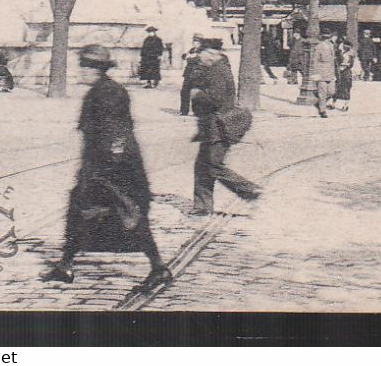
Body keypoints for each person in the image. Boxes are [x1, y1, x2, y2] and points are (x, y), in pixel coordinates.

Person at [43, 44, 170, 288]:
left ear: (96, 69)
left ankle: (159, 268)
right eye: (83, 66)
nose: (82, 71)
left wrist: (107, 170)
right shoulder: (100, 90)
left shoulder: (108, 92)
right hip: (104, 167)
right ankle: (65, 265)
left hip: (115, 169)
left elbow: (116, 133)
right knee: (81, 211)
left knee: (129, 215)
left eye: (86, 67)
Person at [187, 37, 262, 216]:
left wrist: (197, 95)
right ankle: (202, 207)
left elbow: (216, 100)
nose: (200, 57)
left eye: (202, 54)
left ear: (212, 54)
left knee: (213, 165)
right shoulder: (214, 69)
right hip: (211, 127)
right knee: (202, 166)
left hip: (218, 127)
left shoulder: (217, 72)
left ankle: (249, 190)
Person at [310, 34, 337, 118]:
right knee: (322, 93)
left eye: (328, 38)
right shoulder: (318, 47)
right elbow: (315, 60)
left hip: (330, 72)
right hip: (321, 72)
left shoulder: (331, 46)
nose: (327, 39)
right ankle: (322, 110)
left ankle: (319, 103)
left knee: (332, 91)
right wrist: (316, 73)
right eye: (326, 38)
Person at [333, 35, 355, 111]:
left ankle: (346, 105)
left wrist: (345, 66)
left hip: (346, 72)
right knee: (337, 88)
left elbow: (351, 64)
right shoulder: (340, 52)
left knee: (346, 89)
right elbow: (337, 61)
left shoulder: (351, 54)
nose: (345, 46)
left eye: (347, 45)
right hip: (340, 72)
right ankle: (333, 103)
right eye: (345, 45)